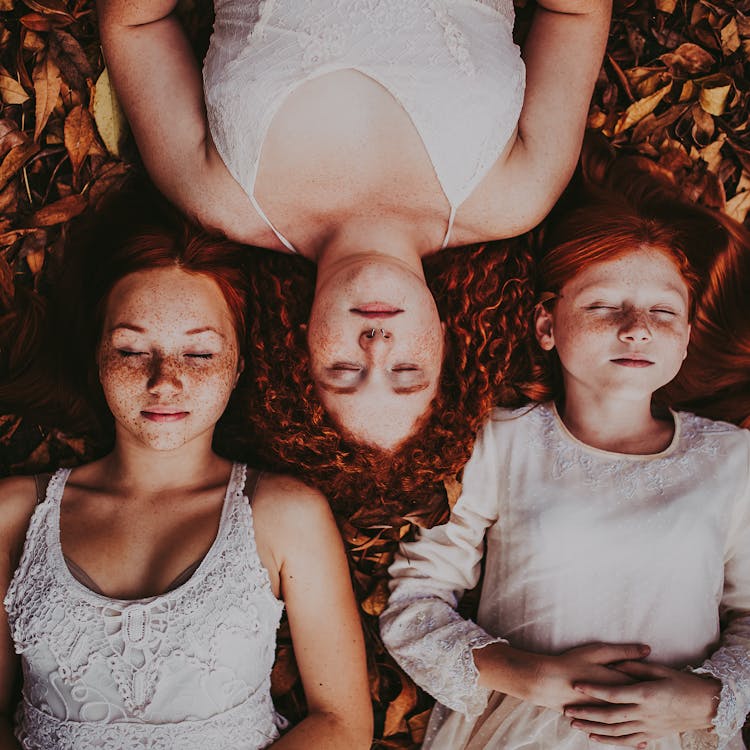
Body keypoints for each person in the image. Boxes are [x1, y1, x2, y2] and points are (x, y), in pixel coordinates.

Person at [95, 0, 612, 450]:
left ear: (302, 348)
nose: (377, 344)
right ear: (445, 340)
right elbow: (576, 12)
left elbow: (135, 26)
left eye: (344, 372)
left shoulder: (219, 198)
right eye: (407, 372)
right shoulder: (517, 195)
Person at [379, 147, 750, 749]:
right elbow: (415, 601)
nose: (637, 327)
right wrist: (523, 671)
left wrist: (711, 698)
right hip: (521, 726)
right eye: (603, 306)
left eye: (663, 310)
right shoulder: (502, 441)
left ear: (684, 337)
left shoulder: (733, 461)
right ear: (547, 325)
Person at [0, 185, 372, 749]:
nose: (165, 380)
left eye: (199, 353)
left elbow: (342, 724)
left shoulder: (282, 515)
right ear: (97, 354)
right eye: (130, 350)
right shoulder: (12, 516)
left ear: (239, 362)